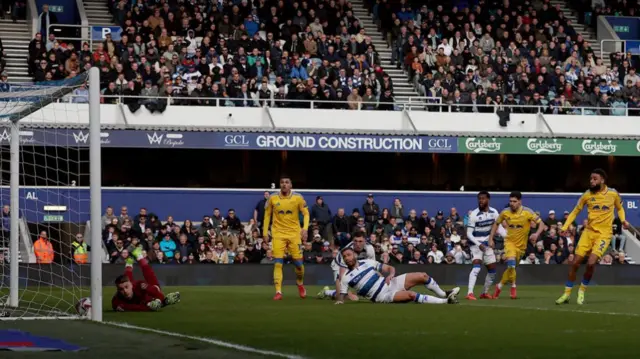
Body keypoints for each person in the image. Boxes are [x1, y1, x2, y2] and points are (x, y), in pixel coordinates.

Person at [556, 169, 627, 305]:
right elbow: (575, 211)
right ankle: (567, 293)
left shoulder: (613, 194)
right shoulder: (587, 195)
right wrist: (565, 227)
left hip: (604, 235)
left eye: (595, 179)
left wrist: (623, 220)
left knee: (591, 262)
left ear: (602, 180)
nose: (592, 181)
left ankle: (581, 291)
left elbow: (620, 208)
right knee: (575, 262)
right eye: (590, 179)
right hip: (588, 233)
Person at [333, 247, 460, 305]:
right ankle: (445, 301)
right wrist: (339, 300)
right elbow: (341, 297)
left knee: (423, 276)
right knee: (412, 295)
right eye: (344, 257)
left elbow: (389, 268)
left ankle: (444, 294)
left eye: (349, 255)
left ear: (354, 255)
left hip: (390, 282)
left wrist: (391, 274)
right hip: (382, 296)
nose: (347, 258)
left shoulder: (368, 262)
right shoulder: (346, 278)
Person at [488, 191, 546, 299]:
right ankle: (513, 286)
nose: (512, 203)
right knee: (511, 265)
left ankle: (499, 286)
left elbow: (542, 224)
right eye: (510, 201)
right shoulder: (505, 212)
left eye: (514, 201)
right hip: (509, 242)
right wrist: (491, 238)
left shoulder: (528, 212)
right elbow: (496, 223)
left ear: (520, 202)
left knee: (511, 268)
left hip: (522, 246)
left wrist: (536, 234)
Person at [263, 174, 310, 300]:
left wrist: (305, 228)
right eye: (282, 182)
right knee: (278, 263)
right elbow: (267, 215)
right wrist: (264, 233)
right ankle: (278, 291)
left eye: (287, 182)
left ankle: (300, 283)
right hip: (278, 234)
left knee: (299, 264)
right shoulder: (272, 198)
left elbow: (306, 214)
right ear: (280, 184)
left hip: (294, 234)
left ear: (291, 185)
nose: (284, 184)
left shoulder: (298, 198)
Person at [112, 247, 180, 312]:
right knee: (127, 279)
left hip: (142, 288)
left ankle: (136, 258)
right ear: (118, 290)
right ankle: (131, 262)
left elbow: (159, 295)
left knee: (152, 282)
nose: (125, 291)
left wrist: (159, 300)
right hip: (134, 288)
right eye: (121, 289)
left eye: (126, 287)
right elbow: (137, 307)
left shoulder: (140, 286)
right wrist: (162, 303)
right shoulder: (116, 300)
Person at [465, 191, 505, 300]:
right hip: (476, 244)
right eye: (479, 199)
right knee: (477, 267)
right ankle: (469, 293)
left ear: (488, 199)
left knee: (492, 270)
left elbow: (499, 227)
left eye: (483, 198)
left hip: (488, 244)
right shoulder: (474, 214)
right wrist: (479, 244)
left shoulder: (494, 212)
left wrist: (507, 237)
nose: (481, 201)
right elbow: (468, 233)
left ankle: (484, 292)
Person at [318, 231, 375, 301]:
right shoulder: (346, 252)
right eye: (355, 241)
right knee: (344, 297)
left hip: (355, 265)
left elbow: (372, 267)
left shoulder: (370, 249)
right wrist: (347, 292)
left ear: (365, 241)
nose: (357, 244)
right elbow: (342, 275)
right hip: (338, 266)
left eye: (360, 241)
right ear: (352, 241)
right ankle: (327, 292)